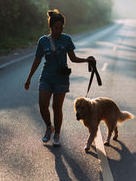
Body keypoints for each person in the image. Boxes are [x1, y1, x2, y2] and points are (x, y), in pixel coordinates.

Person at [24, 9, 95, 147]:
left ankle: (57, 134)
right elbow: (37, 60)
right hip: (46, 77)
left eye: (61, 28)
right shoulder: (43, 41)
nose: (59, 30)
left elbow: (73, 58)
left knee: (57, 108)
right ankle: (49, 127)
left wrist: (87, 60)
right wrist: (29, 79)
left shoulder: (66, 39)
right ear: (50, 27)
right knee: (43, 105)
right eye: (56, 28)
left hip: (61, 79)